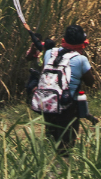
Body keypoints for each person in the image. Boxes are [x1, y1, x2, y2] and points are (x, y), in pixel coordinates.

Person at [36, 25, 92, 158]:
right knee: (66, 146)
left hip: (47, 103)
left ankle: (49, 172)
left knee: (52, 140)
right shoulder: (80, 59)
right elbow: (90, 82)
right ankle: (62, 174)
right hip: (67, 107)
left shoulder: (50, 53)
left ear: (64, 39)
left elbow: (43, 71)